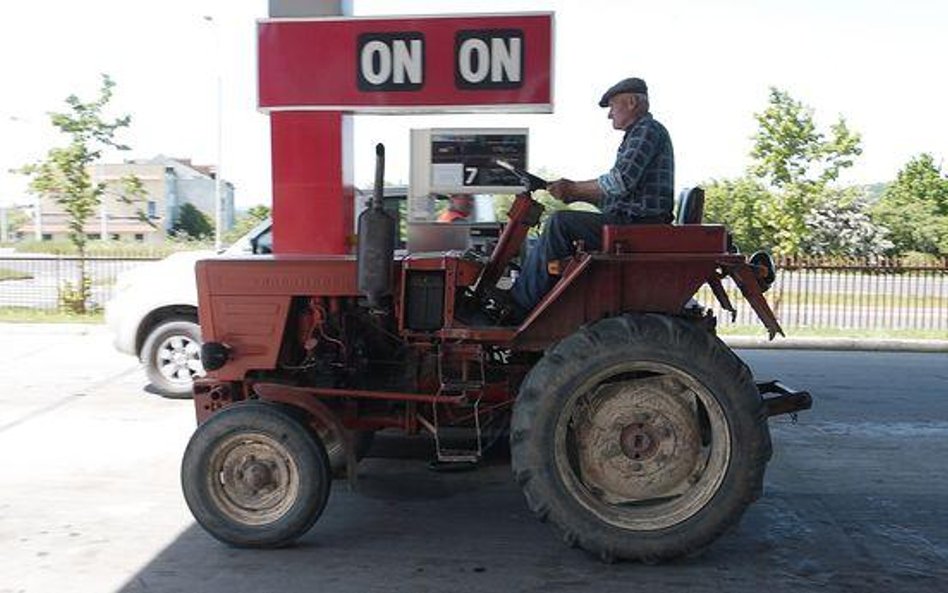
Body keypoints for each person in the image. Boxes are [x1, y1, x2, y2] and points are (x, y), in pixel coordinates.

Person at [508, 76, 675, 319]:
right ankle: (540, 299)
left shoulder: (646, 130)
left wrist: (575, 189)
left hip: (638, 225)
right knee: (553, 230)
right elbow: (621, 195)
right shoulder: (640, 133)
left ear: (631, 102)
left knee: (560, 223)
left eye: (612, 106)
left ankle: (518, 306)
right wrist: (577, 196)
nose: (609, 115)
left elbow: (620, 181)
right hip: (635, 220)